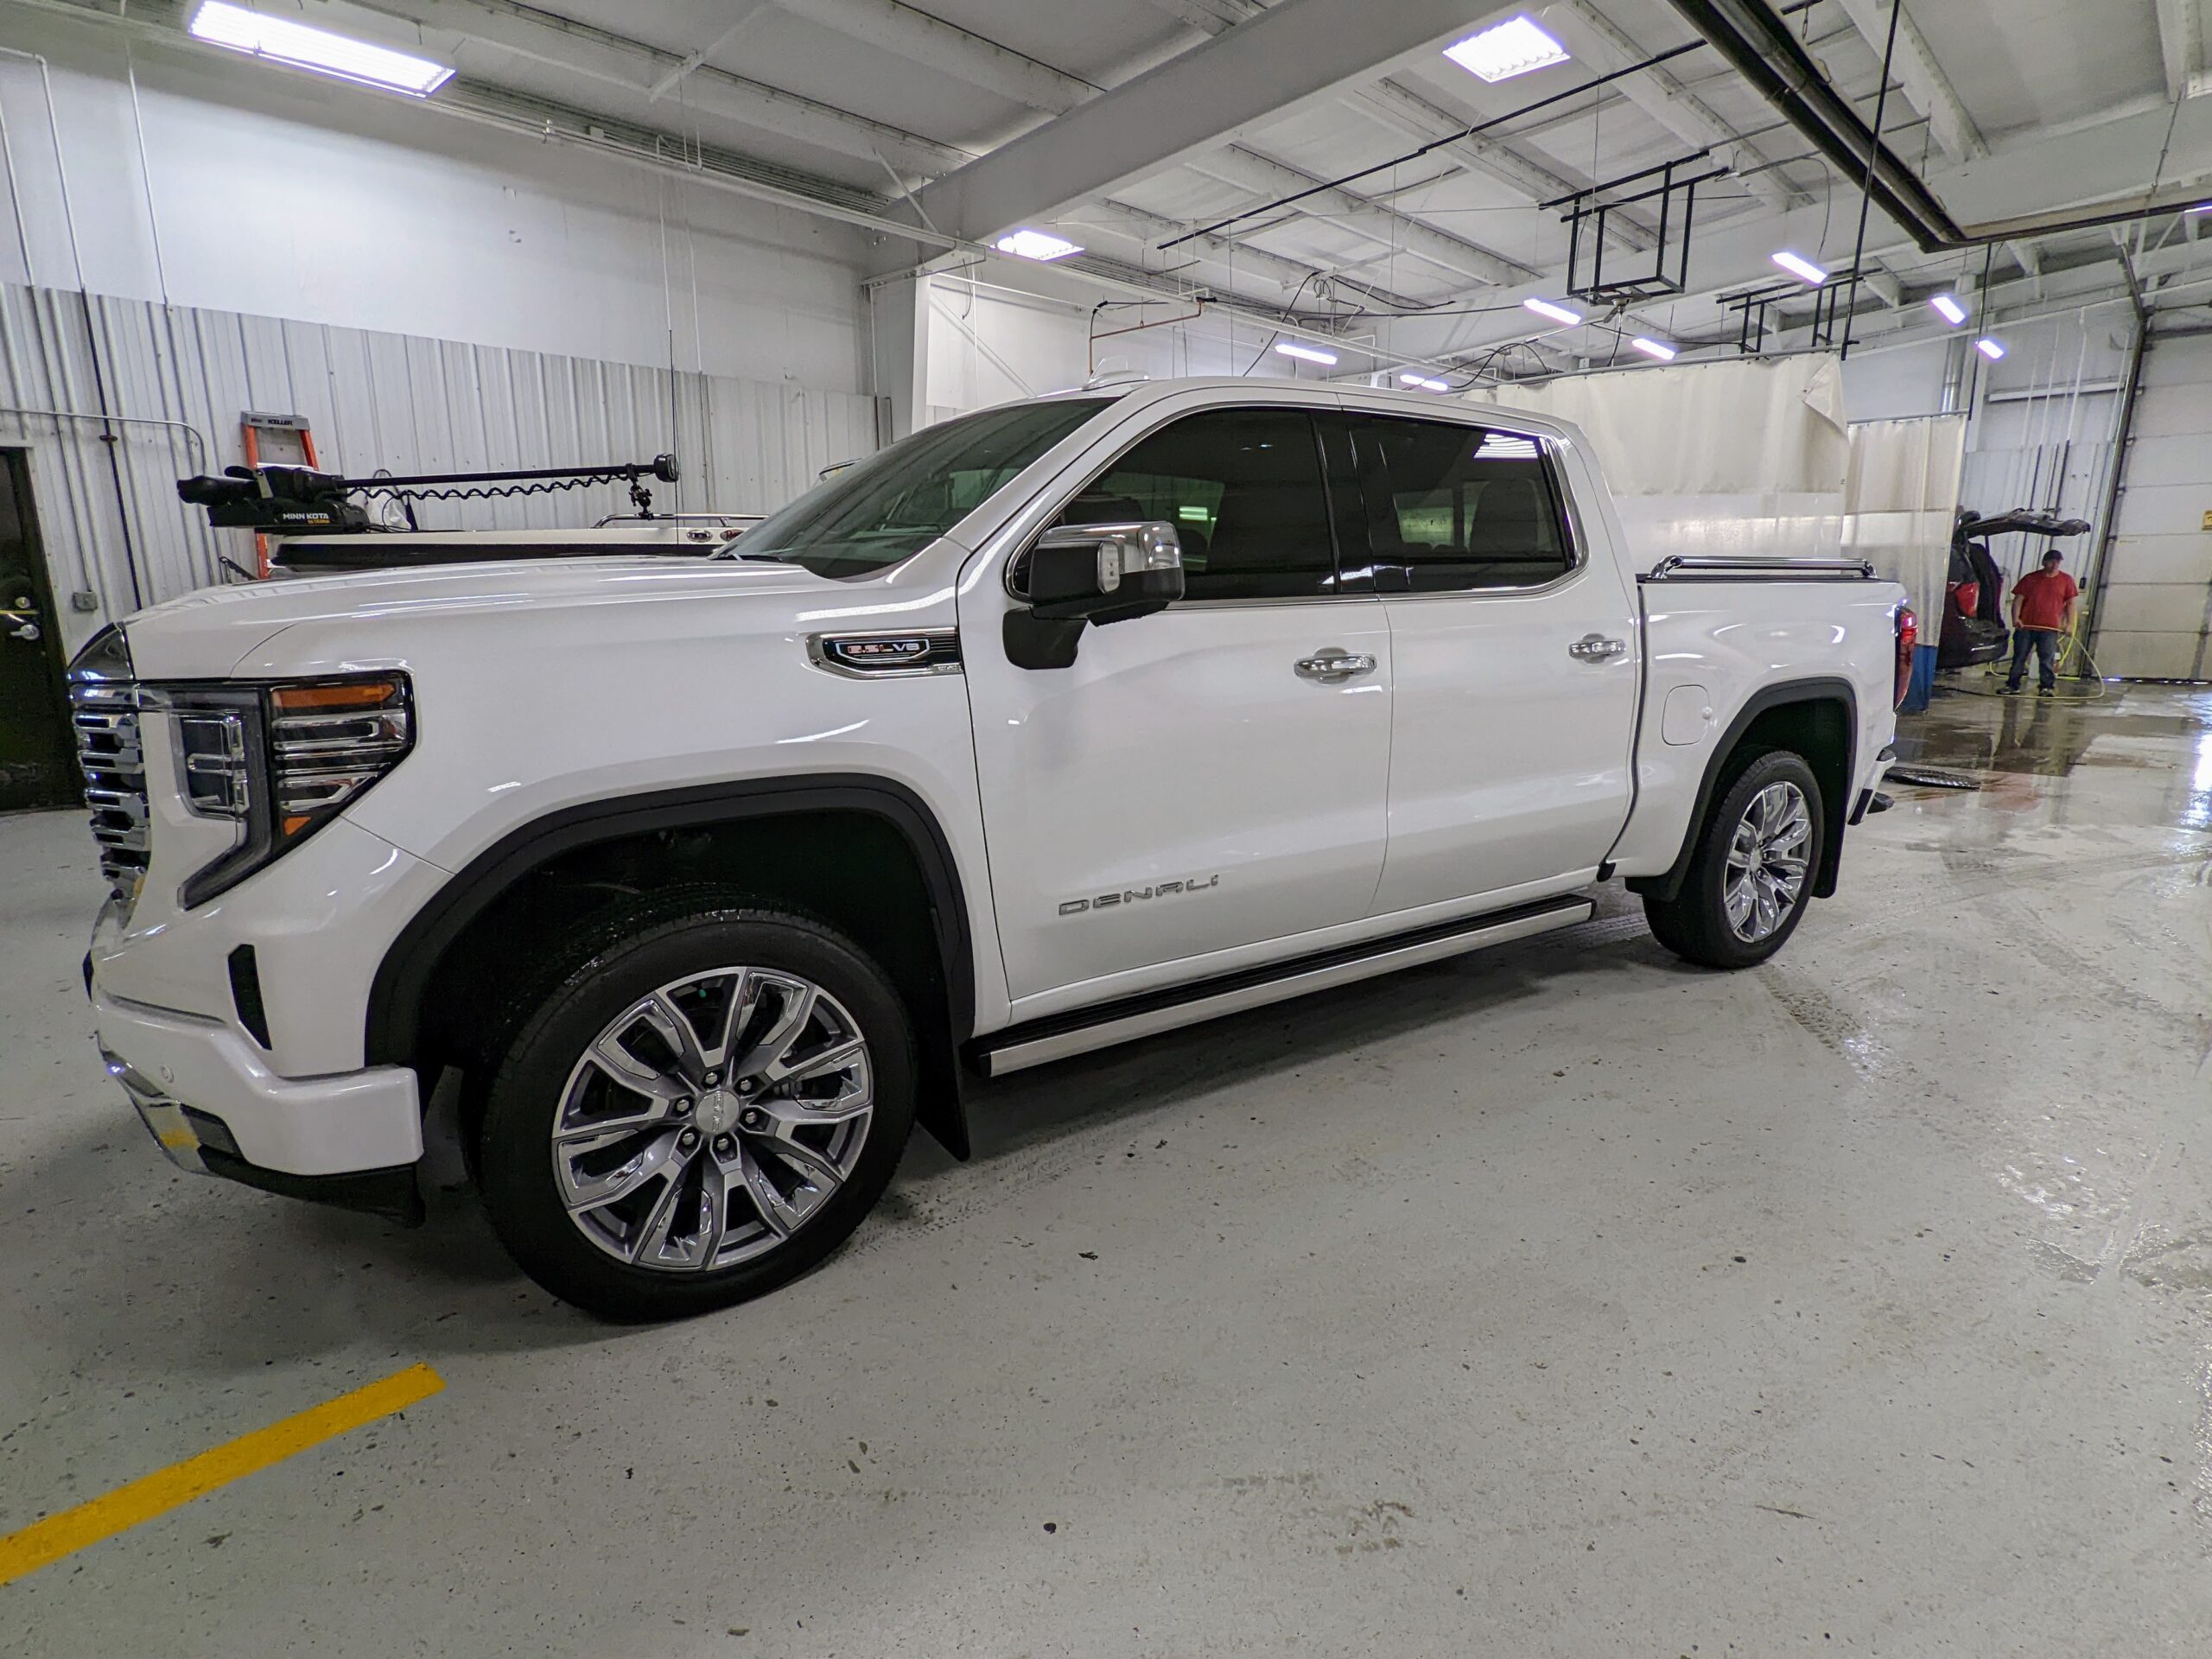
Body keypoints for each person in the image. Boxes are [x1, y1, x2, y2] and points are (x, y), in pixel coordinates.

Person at [2005, 548, 2080, 694]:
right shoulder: (2030, 579)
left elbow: (2071, 604)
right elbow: (2018, 600)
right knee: (2019, 657)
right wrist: (2016, 618)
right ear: (2044, 562)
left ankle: (2047, 687)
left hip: (2050, 628)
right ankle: (2012, 685)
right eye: (2051, 562)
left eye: (2057, 562)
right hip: (2026, 626)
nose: (2054, 565)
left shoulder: (2066, 580)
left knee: (2047, 659)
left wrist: (2070, 624)